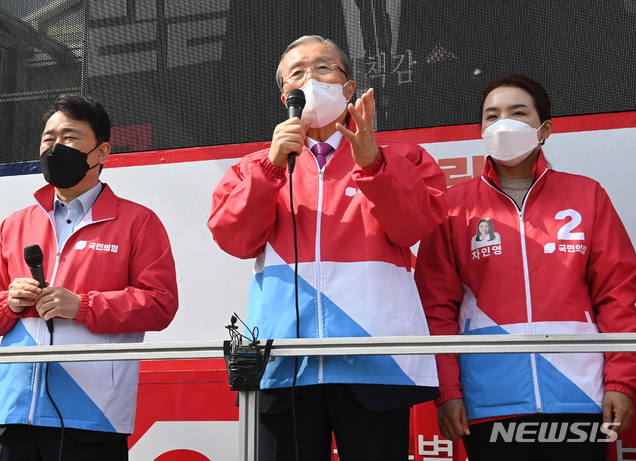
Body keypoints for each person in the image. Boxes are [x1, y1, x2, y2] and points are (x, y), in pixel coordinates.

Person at [209, 35, 448, 461]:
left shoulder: (400, 156)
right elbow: (234, 240)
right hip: (286, 365)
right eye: (297, 73)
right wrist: (270, 168)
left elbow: (416, 225)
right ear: (285, 96)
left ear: (349, 87)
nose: (311, 78)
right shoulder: (255, 166)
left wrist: (374, 164)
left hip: (375, 362)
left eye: (324, 68)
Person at [416, 74, 636, 460]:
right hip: (487, 400)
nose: (504, 123)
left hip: (580, 393)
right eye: (492, 115)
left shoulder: (587, 195)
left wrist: (621, 381)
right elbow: (435, 307)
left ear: (545, 129)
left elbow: (617, 295)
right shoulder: (455, 206)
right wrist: (448, 393)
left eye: (518, 113)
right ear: (481, 129)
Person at [0, 94, 179, 460]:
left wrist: (83, 306)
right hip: (12, 413)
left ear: (101, 152)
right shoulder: (14, 224)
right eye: (48, 139)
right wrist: (10, 302)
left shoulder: (138, 222)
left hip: (93, 415)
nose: (54, 147)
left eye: (68, 137)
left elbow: (161, 303)